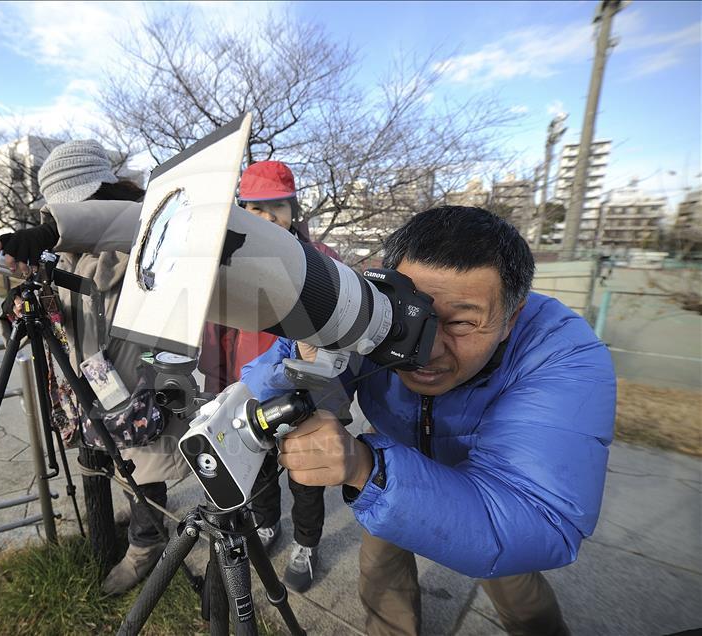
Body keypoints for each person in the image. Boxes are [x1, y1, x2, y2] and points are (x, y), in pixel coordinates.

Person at [240, 205, 616, 635]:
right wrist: (307, 354)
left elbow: (540, 517)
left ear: (511, 318)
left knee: (520, 593)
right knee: (381, 579)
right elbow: (260, 386)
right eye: (410, 317)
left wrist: (368, 468)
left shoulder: (562, 353)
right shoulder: (369, 309)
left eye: (461, 323)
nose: (428, 350)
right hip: (394, 460)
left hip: (484, 481)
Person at [0, 139, 190, 596]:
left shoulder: (145, 223)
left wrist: (55, 239)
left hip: (140, 375)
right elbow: (70, 307)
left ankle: (145, 545)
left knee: (144, 462)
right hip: (95, 377)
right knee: (122, 463)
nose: (54, 223)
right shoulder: (70, 247)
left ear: (97, 196)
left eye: (65, 211)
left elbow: (121, 248)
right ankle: (145, 522)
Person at [198, 160, 340, 593]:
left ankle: (306, 542)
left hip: (306, 384)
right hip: (250, 384)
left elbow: (342, 326)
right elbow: (218, 330)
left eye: (274, 206)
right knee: (256, 463)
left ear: (293, 208)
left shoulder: (322, 261)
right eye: (252, 209)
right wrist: (219, 386)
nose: (264, 218)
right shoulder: (230, 261)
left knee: (304, 469)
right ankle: (265, 524)